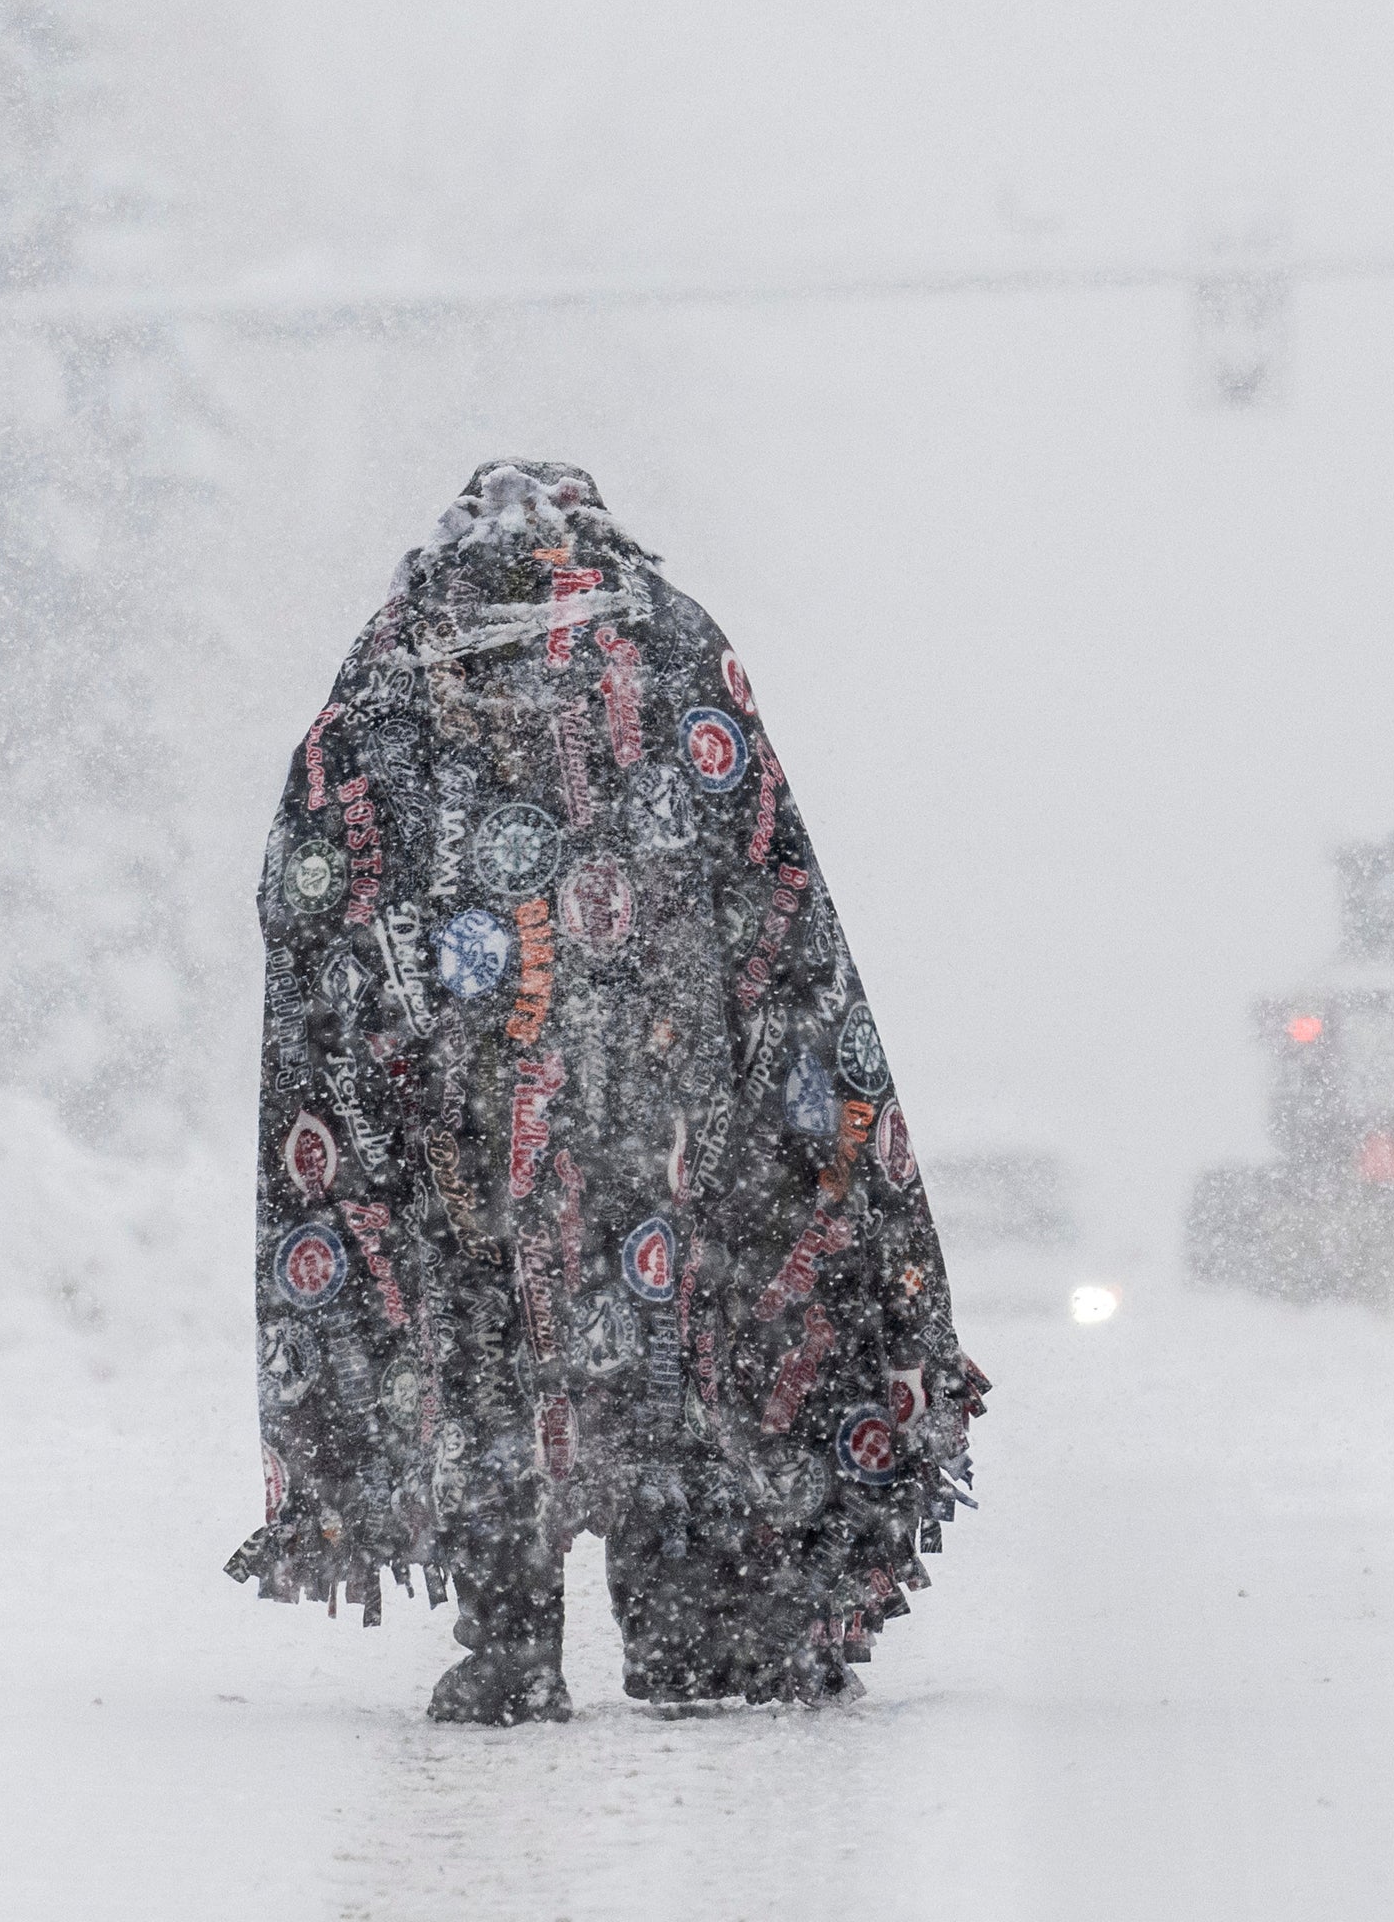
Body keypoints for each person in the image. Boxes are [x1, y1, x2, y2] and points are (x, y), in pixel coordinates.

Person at [225, 460, 984, 1722]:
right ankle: (680, 1633)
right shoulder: (671, 642)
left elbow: (304, 871)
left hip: (453, 1101)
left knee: (483, 1362)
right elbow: (766, 863)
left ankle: (510, 1651)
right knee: (653, 1345)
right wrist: (766, 1043)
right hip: (646, 1093)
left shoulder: (393, 661)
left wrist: (383, 1030)